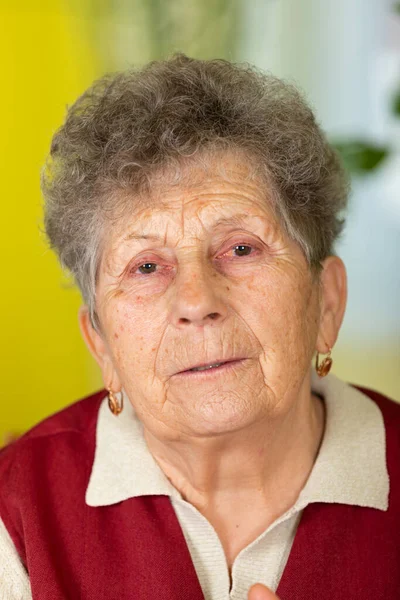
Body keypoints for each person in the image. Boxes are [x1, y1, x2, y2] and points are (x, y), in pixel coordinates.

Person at [0, 53, 399, 600]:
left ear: (326, 302)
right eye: (145, 267)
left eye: (240, 248)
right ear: (101, 344)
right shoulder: (14, 513)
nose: (196, 300)